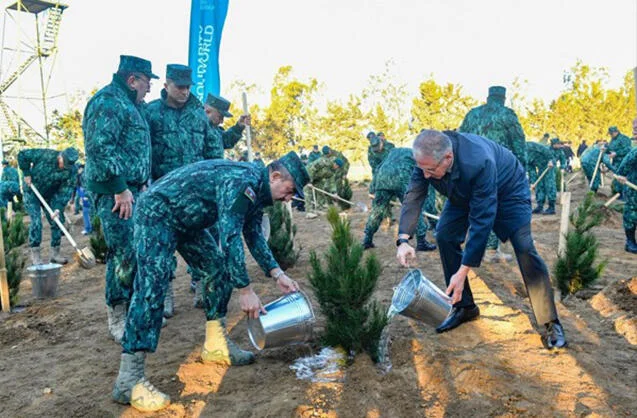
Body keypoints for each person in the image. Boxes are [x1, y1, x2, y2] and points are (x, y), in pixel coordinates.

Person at [111, 152, 309, 412]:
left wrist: (277, 273)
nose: (288, 198)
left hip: (186, 222)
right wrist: (246, 290)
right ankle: (129, 380)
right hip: (157, 213)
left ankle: (216, 344)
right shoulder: (242, 182)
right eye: (290, 190)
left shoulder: (256, 190)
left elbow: (253, 235)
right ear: (275, 176)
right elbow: (229, 238)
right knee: (152, 287)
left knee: (217, 270)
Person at [396, 129, 567, 350]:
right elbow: (414, 194)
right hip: (463, 192)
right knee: (445, 235)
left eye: (430, 170)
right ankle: (465, 307)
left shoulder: (479, 161)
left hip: (508, 192)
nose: (425, 175)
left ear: (448, 158)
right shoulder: (427, 159)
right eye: (422, 169)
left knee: (524, 248)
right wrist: (403, 239)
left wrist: (464, 269)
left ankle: (550, 322)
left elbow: (482, 219)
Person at [146, 64, 234, 317]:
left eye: (188, 87)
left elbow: (212, 152)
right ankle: (165, 295)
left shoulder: (198, 115)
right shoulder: (150, 113)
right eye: (179, 87)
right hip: (162, 196)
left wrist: (214, 184)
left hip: (195, 196)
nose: (185, 91)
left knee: (205, 243)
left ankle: (201, 288)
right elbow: (144, 152)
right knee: (162, 248)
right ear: (166, 85)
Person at [83, 55, 158, 343]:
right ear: (132, 80)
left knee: (136, 250)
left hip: (134, 190)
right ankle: (117, 314)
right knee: (123, 254)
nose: (149, 88)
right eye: (147, 81)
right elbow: (99, 148)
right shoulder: (108, 102)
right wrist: (119, 187)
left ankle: (132, 310)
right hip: (116, 195)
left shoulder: (131, 104)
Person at [460, 85, 527, 263]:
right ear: (503, 98)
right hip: (497, 168)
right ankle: (489, 250)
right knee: (490, 206)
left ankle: (472, 244)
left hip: (469, 167)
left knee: (475, 205)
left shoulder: (472, 114)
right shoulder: (507, 115)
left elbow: (460, 139)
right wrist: (522, 172)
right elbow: (519, 145)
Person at [363, 147, 436, 251]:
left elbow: (378, 167)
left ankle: (367, 239)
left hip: (383, 178)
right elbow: (423, 174)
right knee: (413, 209)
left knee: (377, 211)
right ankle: (421, 241)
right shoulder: (416, 155)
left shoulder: (392, 152)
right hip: (401, 178)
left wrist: (372, 188)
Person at [17, 147, 79, 265]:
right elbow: (22, 155)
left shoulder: (71, 171)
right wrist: (26, 173)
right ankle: (35, 254)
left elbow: (66, 189)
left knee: (57, 220)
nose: (63, 167)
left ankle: (55, 254)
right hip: (32, 192)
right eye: (63, 163)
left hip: (50, 195)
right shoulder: (45, 155)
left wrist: (58, 208)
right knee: (36, 222)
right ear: (60, 156)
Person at [615, 145, 637, 253]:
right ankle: (630, 242)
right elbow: (622, 168)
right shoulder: (635, 152)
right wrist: (621, 175)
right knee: (631, 215)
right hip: (634, 189)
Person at [526, 141, 557, 214]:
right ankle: (540, 206)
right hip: (540, 167)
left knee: (549, 185)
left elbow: (546, 151)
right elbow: (531, 169)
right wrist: (533, 182)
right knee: (539, 185)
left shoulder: (530, 145)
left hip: (548, 165)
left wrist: (551, 160)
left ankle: (551, 207)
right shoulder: (520, 156)